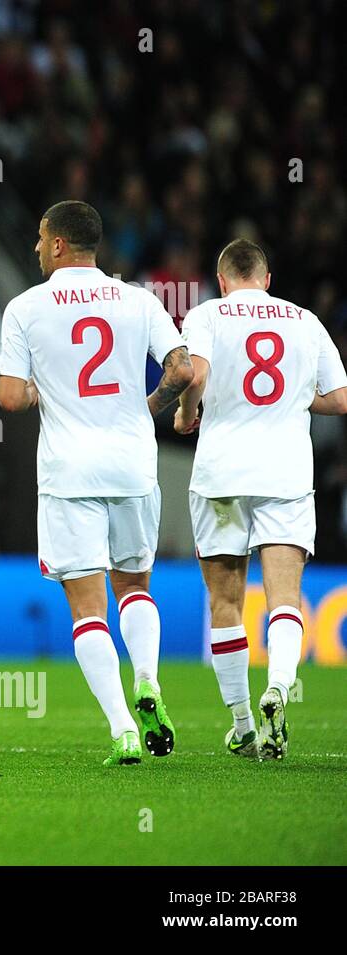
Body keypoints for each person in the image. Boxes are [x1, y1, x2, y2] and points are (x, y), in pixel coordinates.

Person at [0, 200, 194, 767]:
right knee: (135, 588)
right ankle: (149, 681)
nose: (35, 247)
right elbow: (183, 369)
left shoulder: (26, 308)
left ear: (59, 244)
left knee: (88, 612)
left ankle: (122, 729)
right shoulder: (138, 300)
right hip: (133, 463)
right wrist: (147, 408)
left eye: (39, 237)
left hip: (69, 472)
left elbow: (10, 396)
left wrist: (39, 391)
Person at [176, 238, 347, 759]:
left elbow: (195, 373)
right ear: (268, 280)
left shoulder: (206, 314)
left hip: (222, 475)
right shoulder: (304, 319)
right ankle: (278, 688)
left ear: (223, 280)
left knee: (226, 601)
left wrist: (185, 414)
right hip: (285, 475)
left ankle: (244, 723)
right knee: (284, 598)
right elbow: (340, 398)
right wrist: (297, 398)